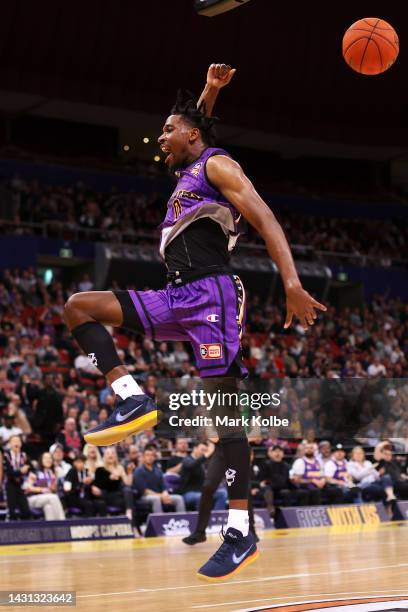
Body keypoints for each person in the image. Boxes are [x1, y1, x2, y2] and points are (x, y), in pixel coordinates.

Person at [63, 63, 326, 581]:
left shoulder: (217, 165)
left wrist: (292, 283)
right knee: (79, 306)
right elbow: (193, 124)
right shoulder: (187, 166)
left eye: (167, 130)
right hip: (174, 295)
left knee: (226, 415)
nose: (160, 137)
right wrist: (207, 92)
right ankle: (133, 398)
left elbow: (265, 216)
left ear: (191, 136)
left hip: (213, 296)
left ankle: (240, 528)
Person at [133, 445, 185, 513]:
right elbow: (145, 491)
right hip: (144, 497)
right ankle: (159, 522)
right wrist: (161, 496)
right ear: (143, 457)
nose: (150, 457)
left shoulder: (158, 470)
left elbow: (163, 487)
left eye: (152, 455)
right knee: (156, 499)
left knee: (179, 498)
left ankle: (182, 521)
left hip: (160, 495)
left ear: (154, 457)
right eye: (147, 455)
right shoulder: (139, 471)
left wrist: (165, 494)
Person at [23, 452, 66, 520]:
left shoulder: (53, 473)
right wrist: (41, 490)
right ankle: (63, 522)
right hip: (33, 498)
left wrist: (55, 482)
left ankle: (53, 529)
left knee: (48, 507)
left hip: (47, 499)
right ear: (41, 460)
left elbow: (53, 489)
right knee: (53, 497)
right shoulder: (35, 472)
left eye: (50, 458)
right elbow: (28, 488)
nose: (48, 460)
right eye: (45, 458)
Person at [3, 434, 31, 519]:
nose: (16, 443)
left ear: (21, 443)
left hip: (21, 485)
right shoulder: (5, 455)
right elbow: (9, 472)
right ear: (10, 444)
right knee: (12, 512)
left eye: (18, 441)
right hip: (9, 485)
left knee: (26, 512)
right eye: (14, 441)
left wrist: (29, 473)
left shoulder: (24, 455)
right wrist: (21, 471)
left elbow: (30, 468)